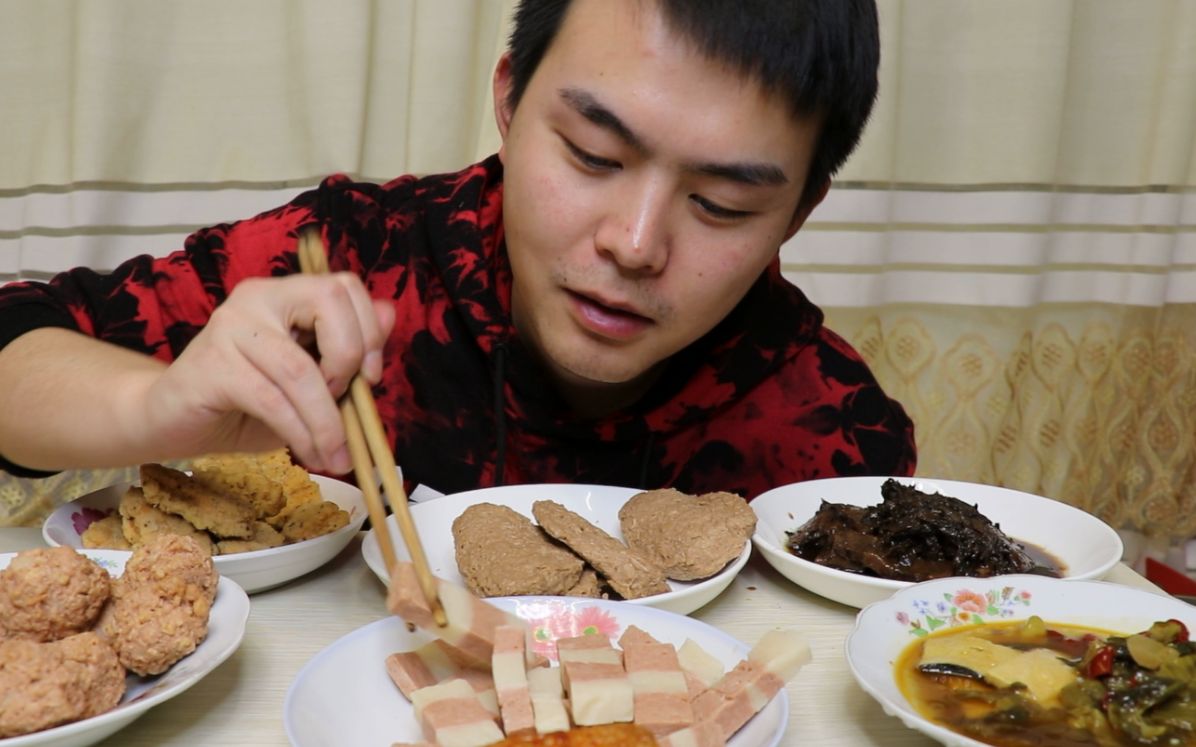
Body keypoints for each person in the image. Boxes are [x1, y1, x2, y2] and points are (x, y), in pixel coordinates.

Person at [0, 0, 915, 500]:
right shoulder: (352, 259)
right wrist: (152, 406)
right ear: (511, 101)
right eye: (594, 156)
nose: (635, 245)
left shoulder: (837, 438)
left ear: (797, 211)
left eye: (719, 204)